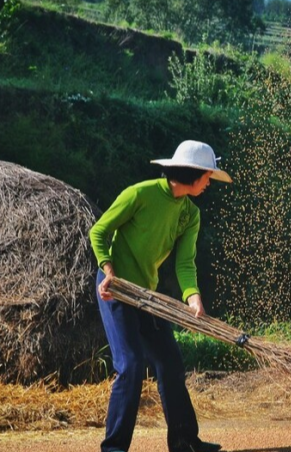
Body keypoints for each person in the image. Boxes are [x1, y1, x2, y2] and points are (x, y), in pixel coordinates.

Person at [89, 140, 231, 452]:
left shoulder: (190, 214)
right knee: (130, 365)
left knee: (170, 363)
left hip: (147, 294)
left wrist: (193, 297)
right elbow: (98, 231)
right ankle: (114, 448)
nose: (209, 183)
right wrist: (108, 269)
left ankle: (185, 443)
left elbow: (184, 263)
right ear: (193, 173)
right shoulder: (140, 194)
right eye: (208, 176)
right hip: (116, 289)